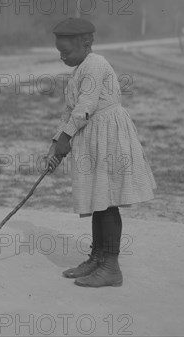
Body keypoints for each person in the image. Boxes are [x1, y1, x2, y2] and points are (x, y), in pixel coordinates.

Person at [47, 17, 156, 288]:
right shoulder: (77, 71)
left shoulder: (96, 64)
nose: (62, 57)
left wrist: (67, 138)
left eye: (67, 52)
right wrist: (55, 144)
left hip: (110, 138)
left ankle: (111, 267)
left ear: (85, 44)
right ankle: (97, 258)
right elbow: (69, 111)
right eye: (59, 53)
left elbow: (85, 106)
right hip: (93, 137)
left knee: (107, 202)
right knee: (99, 200)